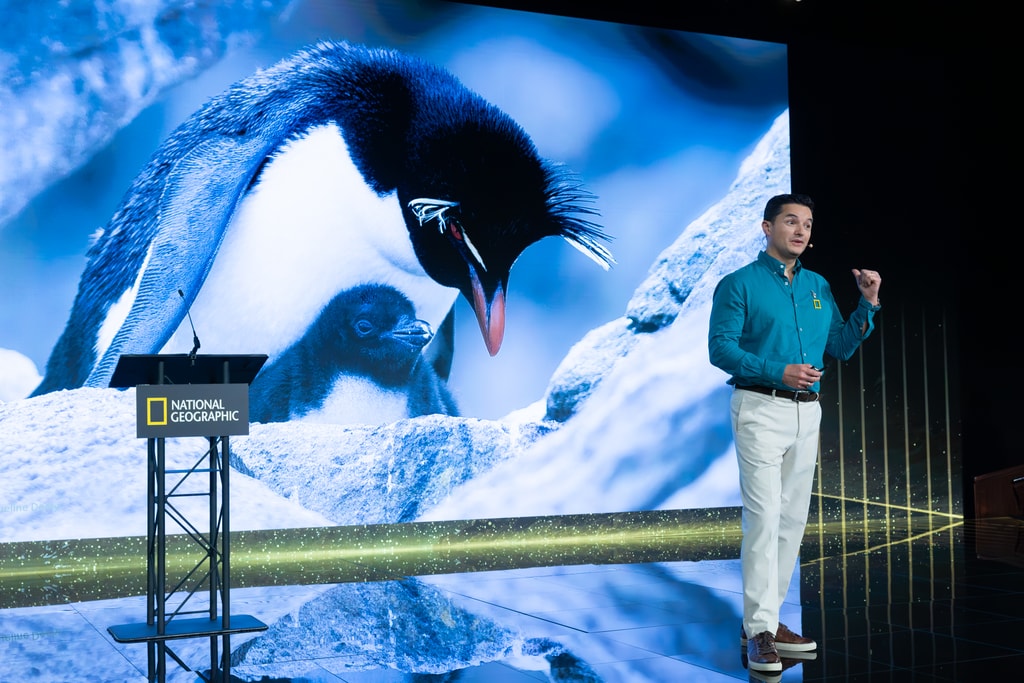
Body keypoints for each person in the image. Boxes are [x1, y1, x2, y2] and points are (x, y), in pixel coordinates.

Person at [707, 193, 881, 673]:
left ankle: (766, 620)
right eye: (790, 221)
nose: (801, 230)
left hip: (809, 414)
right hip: (760, 408)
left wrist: (868, 303)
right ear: (767, 228)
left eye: (807, 223)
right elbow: (719, 348)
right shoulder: (738, 284)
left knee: (791, 523)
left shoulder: (819, 286)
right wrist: (775, 371)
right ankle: (760, 630)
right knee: (763, 521)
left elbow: (840, 348)